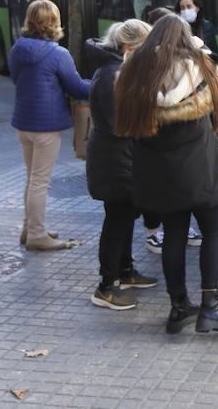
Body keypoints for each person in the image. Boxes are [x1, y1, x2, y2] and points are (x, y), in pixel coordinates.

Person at [116, 15, 218, 334]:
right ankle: (211, 307)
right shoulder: (198, 66)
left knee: (174, 235)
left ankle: (178, 306)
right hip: (201, 169)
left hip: (160, 174)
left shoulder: (134, 72)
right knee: (213, 231)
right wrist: (201, 49)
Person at [85, 19, 158, 310]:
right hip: (114, 159)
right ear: (128, 47)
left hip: (120, 157)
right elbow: (122, 123)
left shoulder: (116, 71)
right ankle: (107, 286)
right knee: (116, 220)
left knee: (125, 217)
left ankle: (125, 271)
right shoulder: (111, 75)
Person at [10, 0, 90, 251]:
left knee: (32, 178)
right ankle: (36, 234)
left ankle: (29, 227)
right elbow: (76, 87)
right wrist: (102, 82)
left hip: (23, 123)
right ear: (53, 22)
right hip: (46, 125)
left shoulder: (17, 49)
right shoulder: (58, 54)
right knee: (40, 181)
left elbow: (16, 78)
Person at [138, 6, 199, 255]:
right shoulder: (145, 61)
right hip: (154, 137)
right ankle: (155, 231)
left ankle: (178, 228)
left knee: (176, 183)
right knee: (158, 183)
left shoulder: (184, 59)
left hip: (175, 140)